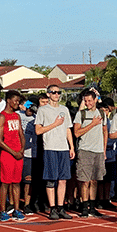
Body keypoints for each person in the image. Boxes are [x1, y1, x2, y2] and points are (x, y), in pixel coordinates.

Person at [35, 85, 75, 220]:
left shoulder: (64, 109)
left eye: (59, 92)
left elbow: (68, 129)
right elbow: (38, 130)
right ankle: (52, 208)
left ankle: (60, 207)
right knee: (51, 179)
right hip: (50, 148)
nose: (57, 95)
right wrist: (55, 124)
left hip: (63, 148)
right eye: (54, 92)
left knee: (63, 180)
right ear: (48, 94)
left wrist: (71, 146)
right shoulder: (43, 110)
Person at [73, 89, 107, 218]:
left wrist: (104, 150)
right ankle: (84, 207)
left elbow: (105, 132)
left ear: (95, 100)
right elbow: (77, 133)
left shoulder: (102, 114)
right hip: (85, 150)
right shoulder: (80, 114)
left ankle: (92, 207)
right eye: (85, 101)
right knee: (84, 181)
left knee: (94, 180)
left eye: (90, 101)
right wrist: (92, 124)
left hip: (98, 151)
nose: (88, 103)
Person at [0, 90, 25, 221]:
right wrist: (13, 152)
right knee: (5, 183)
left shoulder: (16, 116)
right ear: (8, 100)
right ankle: (2, 210)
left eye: (18, 101)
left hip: (18, 153)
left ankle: (17, 209)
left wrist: (22, 150)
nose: (17, 103)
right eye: (15, 100)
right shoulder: (2, 116)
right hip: (7, 154)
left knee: (17, 182)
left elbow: (21, 134)